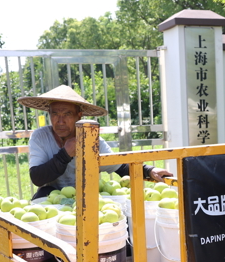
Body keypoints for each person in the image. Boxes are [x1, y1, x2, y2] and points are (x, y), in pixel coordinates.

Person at [18, 85, 171, 199]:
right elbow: (37, 178)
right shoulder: (40, 137)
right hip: (52, 196)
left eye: (67, 114)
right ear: (49, 114)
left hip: (88, 195)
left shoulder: (90, 139)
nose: (60, 121)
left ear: (79, 116)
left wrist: (149, 171)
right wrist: (65, 154)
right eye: (55, 114)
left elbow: (119, 166)